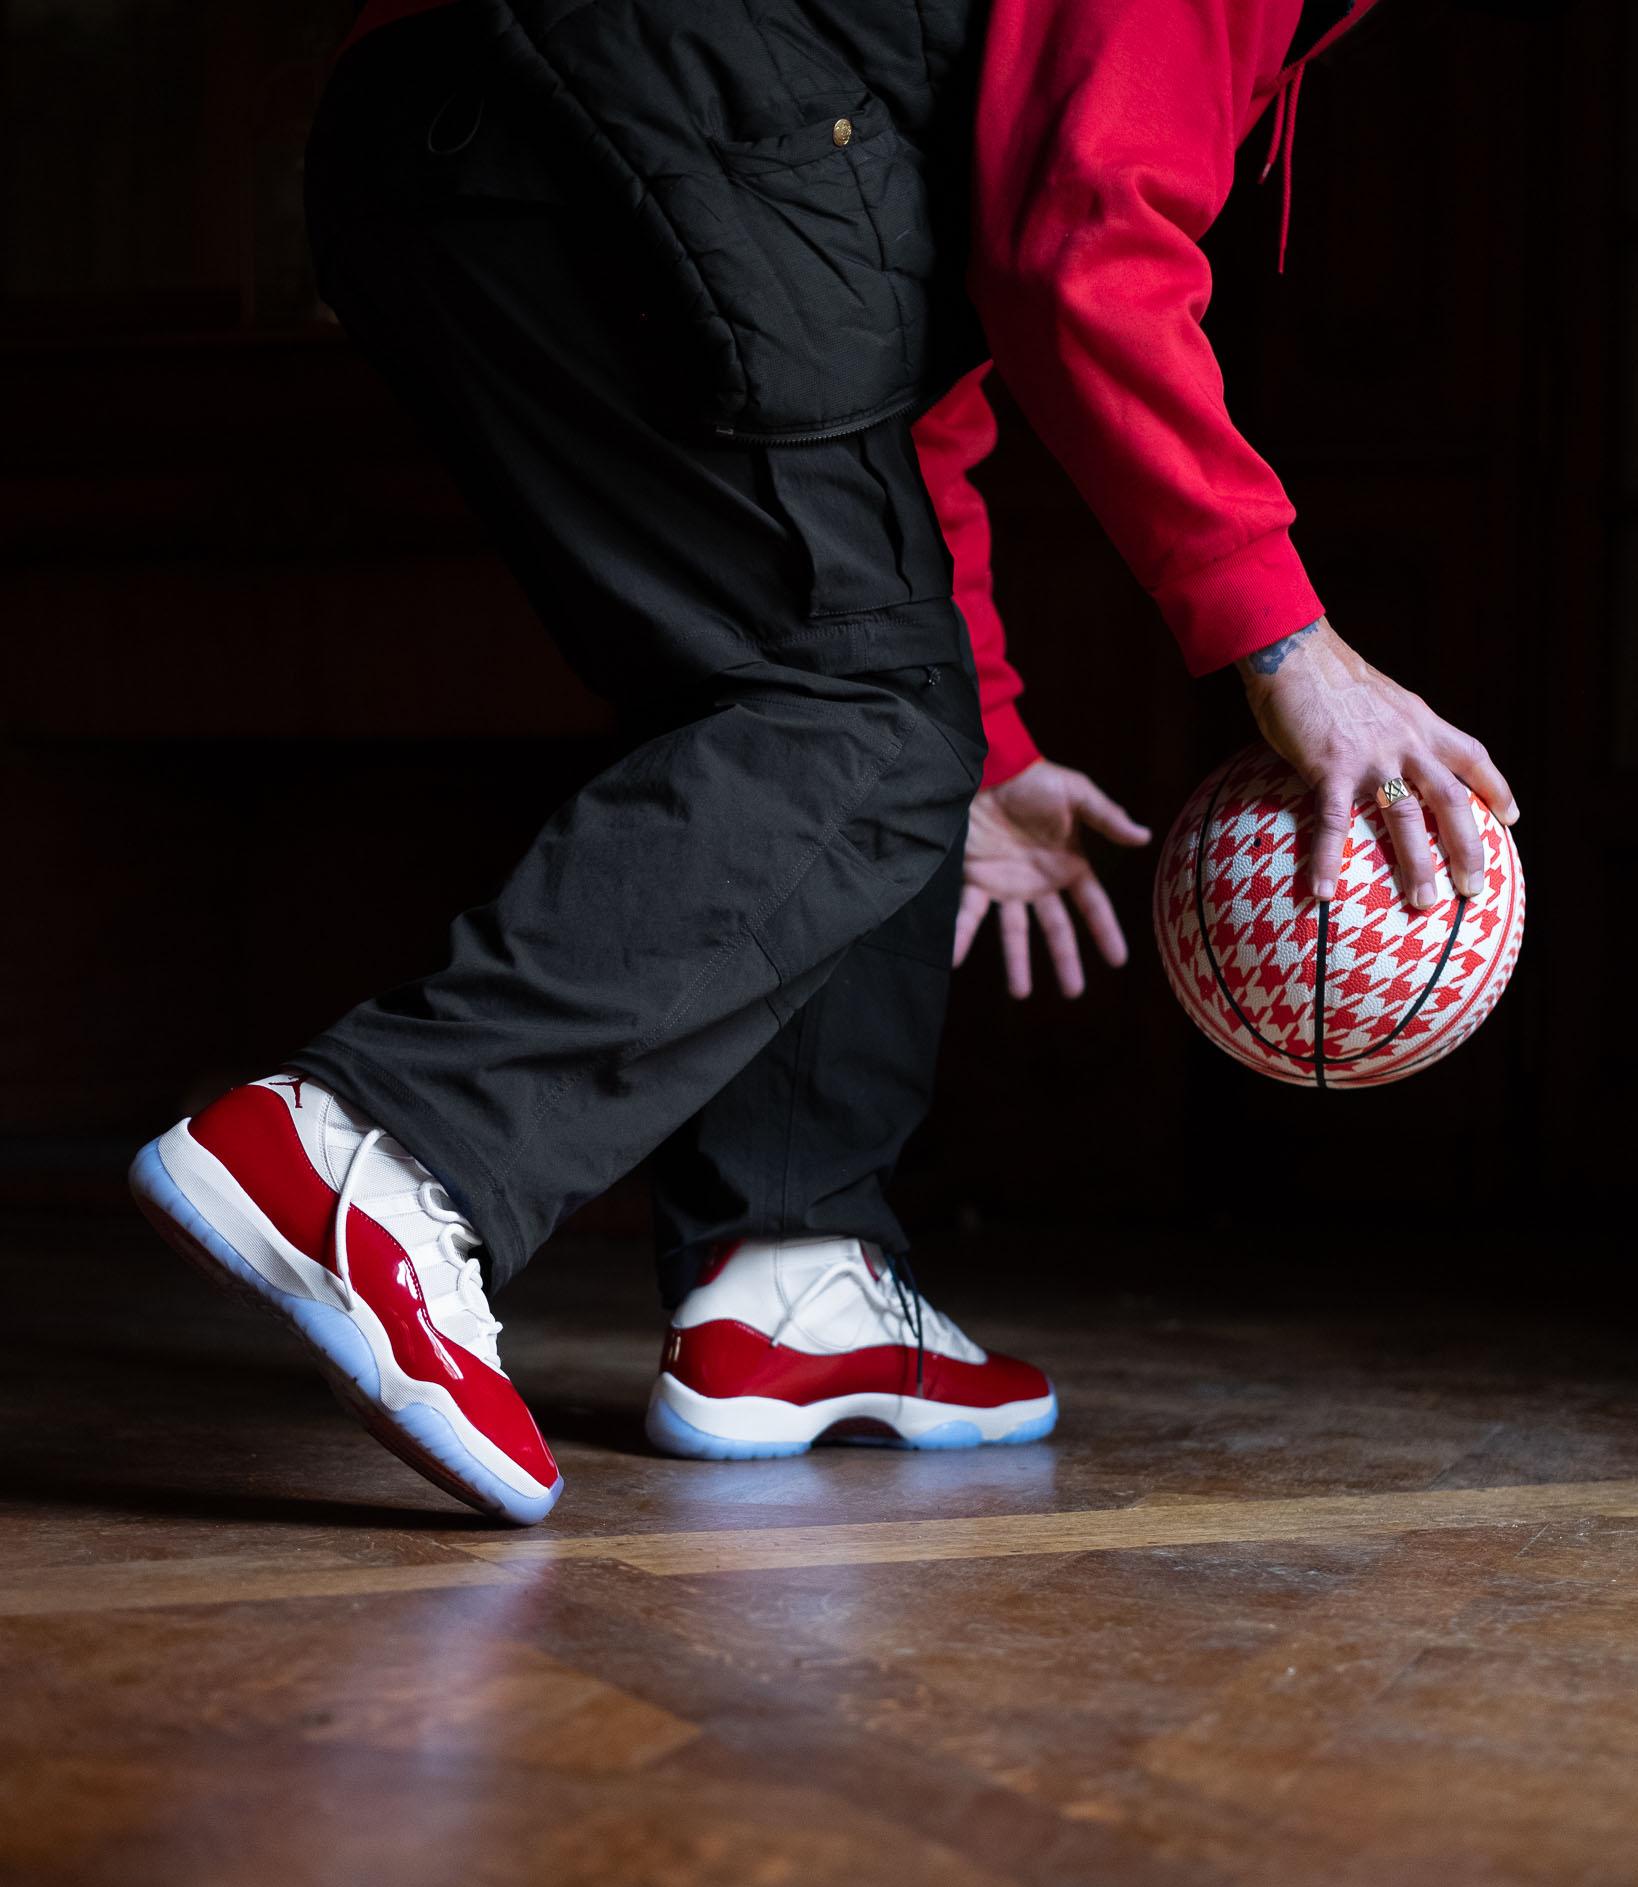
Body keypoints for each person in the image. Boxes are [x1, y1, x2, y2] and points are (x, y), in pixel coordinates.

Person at [130, 0, 1518, 1524]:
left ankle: (787, 1275)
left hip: (431, 130)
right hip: (630, 99)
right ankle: (372, 1151)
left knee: (845, 697)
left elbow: (904, 399)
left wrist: (981, 737)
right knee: (859, 708)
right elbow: (1080, 255)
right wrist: (1289, 648)